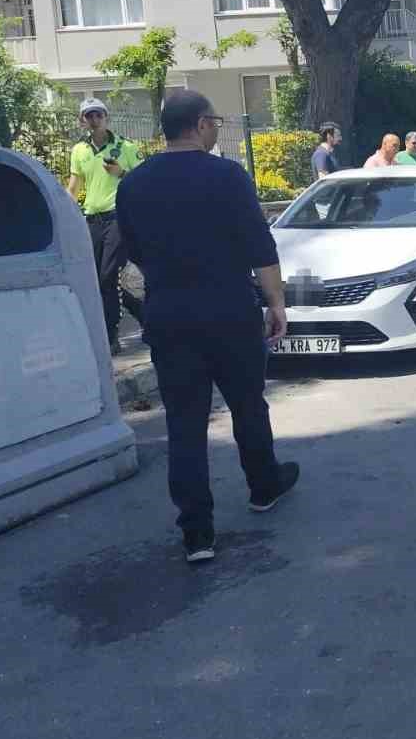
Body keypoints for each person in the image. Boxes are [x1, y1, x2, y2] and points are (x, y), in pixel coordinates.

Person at [115, 90, 300, 564]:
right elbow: (260, 246)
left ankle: (197, 533)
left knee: (184, 423)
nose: (217, 128)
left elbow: (131, 248)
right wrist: (275, 302)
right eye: (214, 121)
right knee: (246, 404)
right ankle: (263, 486)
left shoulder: (133, 184)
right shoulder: (227, 176)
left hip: (170, 313)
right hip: (228, 309)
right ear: (199, 125)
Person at [67, 98, 142, 354]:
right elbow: (74, 187)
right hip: (92, 220)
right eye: (88, 115)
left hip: (117, 218)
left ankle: (110, 335)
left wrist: (121, 173)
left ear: (106, 117)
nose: (94, 119)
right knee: (99, 280)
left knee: (107, 276)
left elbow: (143, 182)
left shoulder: (126, 147)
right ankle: (140, 312)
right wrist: (66, 214)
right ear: (82, 120)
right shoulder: (79, 151)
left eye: (98, 114)